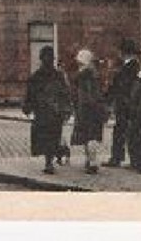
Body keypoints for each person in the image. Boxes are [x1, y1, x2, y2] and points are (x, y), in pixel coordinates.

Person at [23, 46, 73, 174]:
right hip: (48, 112)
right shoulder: (52, 75)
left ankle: (50, 161)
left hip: (48, 112)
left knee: (49, 137)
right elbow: (31, 93)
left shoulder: (40, 76)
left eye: (49, 58)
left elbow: (64, 93)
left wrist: (27, 107)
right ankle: (52, 158)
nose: (47, 60)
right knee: (50, 137)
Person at [103, 38, 140, 167]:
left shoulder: (129, 67)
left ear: (122, 52)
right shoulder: (133, 66)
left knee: (122, 131)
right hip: (128, 103)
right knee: (126, 131)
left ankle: (118, 158)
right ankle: (130, 158)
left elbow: (120, 86)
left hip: (126, 104)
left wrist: (108, 99)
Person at [70, 48, 107, 174]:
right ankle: (90, 160)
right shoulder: (95, 74)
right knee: (92, 136)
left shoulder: (83, 75)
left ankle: (91, 162)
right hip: (95, 108)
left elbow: (84, 94)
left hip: (86, 109)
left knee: (89, 137)